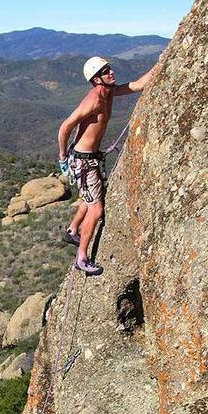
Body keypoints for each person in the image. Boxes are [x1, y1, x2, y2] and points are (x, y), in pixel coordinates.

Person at [58, 56, 156, 275]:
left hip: (90, 158)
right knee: (96, 208)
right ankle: (81, 258)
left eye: (109, 68)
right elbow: (65, 126)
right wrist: (62, 156)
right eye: (105, 71)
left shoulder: (109, 91)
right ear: (96, 79)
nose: (111, 72)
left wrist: (163, 61)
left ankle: (72, 229)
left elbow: (138, 85)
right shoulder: (94, 100)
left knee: (90, 195)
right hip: (83, 161)